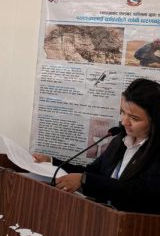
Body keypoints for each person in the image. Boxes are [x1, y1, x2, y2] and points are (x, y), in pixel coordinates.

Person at [34, 78, 160, 214]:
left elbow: (141, 193)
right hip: (104, 216)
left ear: (155, 120)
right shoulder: (120, 140)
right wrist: (52, 163)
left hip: (135, 223)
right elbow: (93, 172)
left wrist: (85, 181)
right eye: (123, 112)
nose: (124, 121)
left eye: (134, 118)